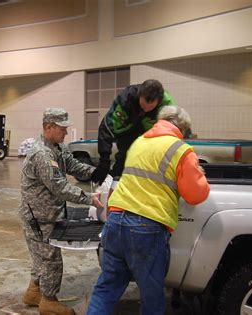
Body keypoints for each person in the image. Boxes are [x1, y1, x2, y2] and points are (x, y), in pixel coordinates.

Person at [87, 106, 210, 315]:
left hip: (116, 220)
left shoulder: (140, 142)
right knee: (152, 297)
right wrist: (198, 173)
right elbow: (196, 195)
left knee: (106, 289)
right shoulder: (181, 150)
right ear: (182, 128)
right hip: (147, 228)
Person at [19, 108, 103, 315]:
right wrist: (88, 198)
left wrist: (98, 171)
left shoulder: (57, 147)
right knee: (50, 259)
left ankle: (34, 292)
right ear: (49, 127)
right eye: (62, 129)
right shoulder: (42, 154)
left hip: (47, 214)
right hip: (39, 218)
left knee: (42, 257)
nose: (66, 133)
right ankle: (48, 302)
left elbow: (73, 165)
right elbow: (59, 186)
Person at [91, 79, 175, 185]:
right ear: (139, 96)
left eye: (151, 107)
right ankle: (114, 182)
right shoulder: (126, 100)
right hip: (126, 131)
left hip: (151, 135)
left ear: (159, 101)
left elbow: (172, 133)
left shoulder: (167, 107)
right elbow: (106, 128)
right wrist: (104, 162)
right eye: (143, 106)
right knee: (123, 160)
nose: (146, 110)